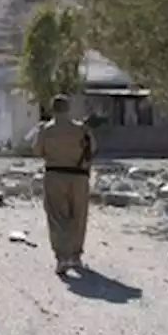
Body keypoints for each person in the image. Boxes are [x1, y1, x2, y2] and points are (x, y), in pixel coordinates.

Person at [33, 95, 96, 275]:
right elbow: (93, 149)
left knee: (56, 216)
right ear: (69, 109)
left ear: (53, 109)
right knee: (79, 216)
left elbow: (37, 151)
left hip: (55, 174)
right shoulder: (82, 129)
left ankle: (62, 257)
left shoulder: (46, 130)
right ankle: (75, 255)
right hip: (79, 177)